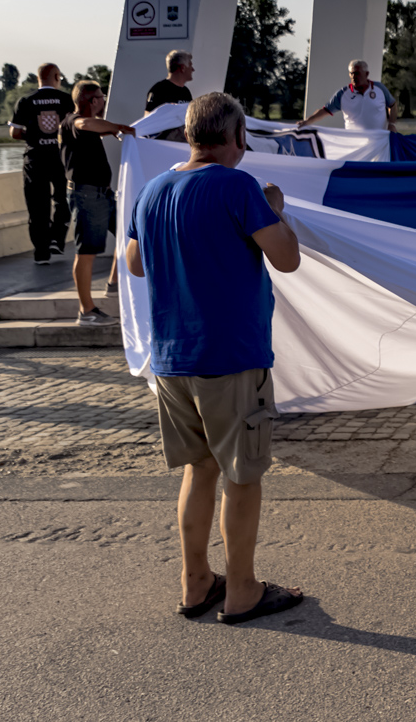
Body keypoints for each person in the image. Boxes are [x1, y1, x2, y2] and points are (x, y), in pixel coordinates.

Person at [126, 92, 305, 625]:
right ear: (237, 137)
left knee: (198, 470)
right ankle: (243, 591)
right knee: (242, 475)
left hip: (170, 359)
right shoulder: (238, 187)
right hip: (229, 356)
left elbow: (134, 264)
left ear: (188, 136)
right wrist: (275, 210)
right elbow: (287, 259)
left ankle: (196, 582)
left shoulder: (153, 190)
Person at [60, 81, 135, 326]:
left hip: (103, 194)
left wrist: (111, 131)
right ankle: (87, 311)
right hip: (87, 196)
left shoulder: (85, 128)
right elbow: (85, 124)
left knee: (128, 234)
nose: (104, 101)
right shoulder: (74, 121)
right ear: (93, 101)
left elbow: (92, 128)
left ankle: (113, 284)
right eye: (102, 97)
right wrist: (117, 127)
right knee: (87, 252)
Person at [8, 62, 75, 264]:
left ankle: (41, 252)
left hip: (35, 159)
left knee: (37, 206)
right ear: (56, 77)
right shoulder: (67, 100)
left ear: (38, 78)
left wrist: (33, 136)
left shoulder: (26, 101)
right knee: (64, 200)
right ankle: (57, 239)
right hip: (62, 159)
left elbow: (14, 132)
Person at [297, 59, 396, 132]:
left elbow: (393, 105)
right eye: (351, 73)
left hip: (378, 142)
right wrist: (307, 121)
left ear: (366, 74)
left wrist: (391, 124)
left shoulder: (379, 89)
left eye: (357, 73)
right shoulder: (343, 94)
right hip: (353, 143)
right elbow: (325, 110)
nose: (353, 77)